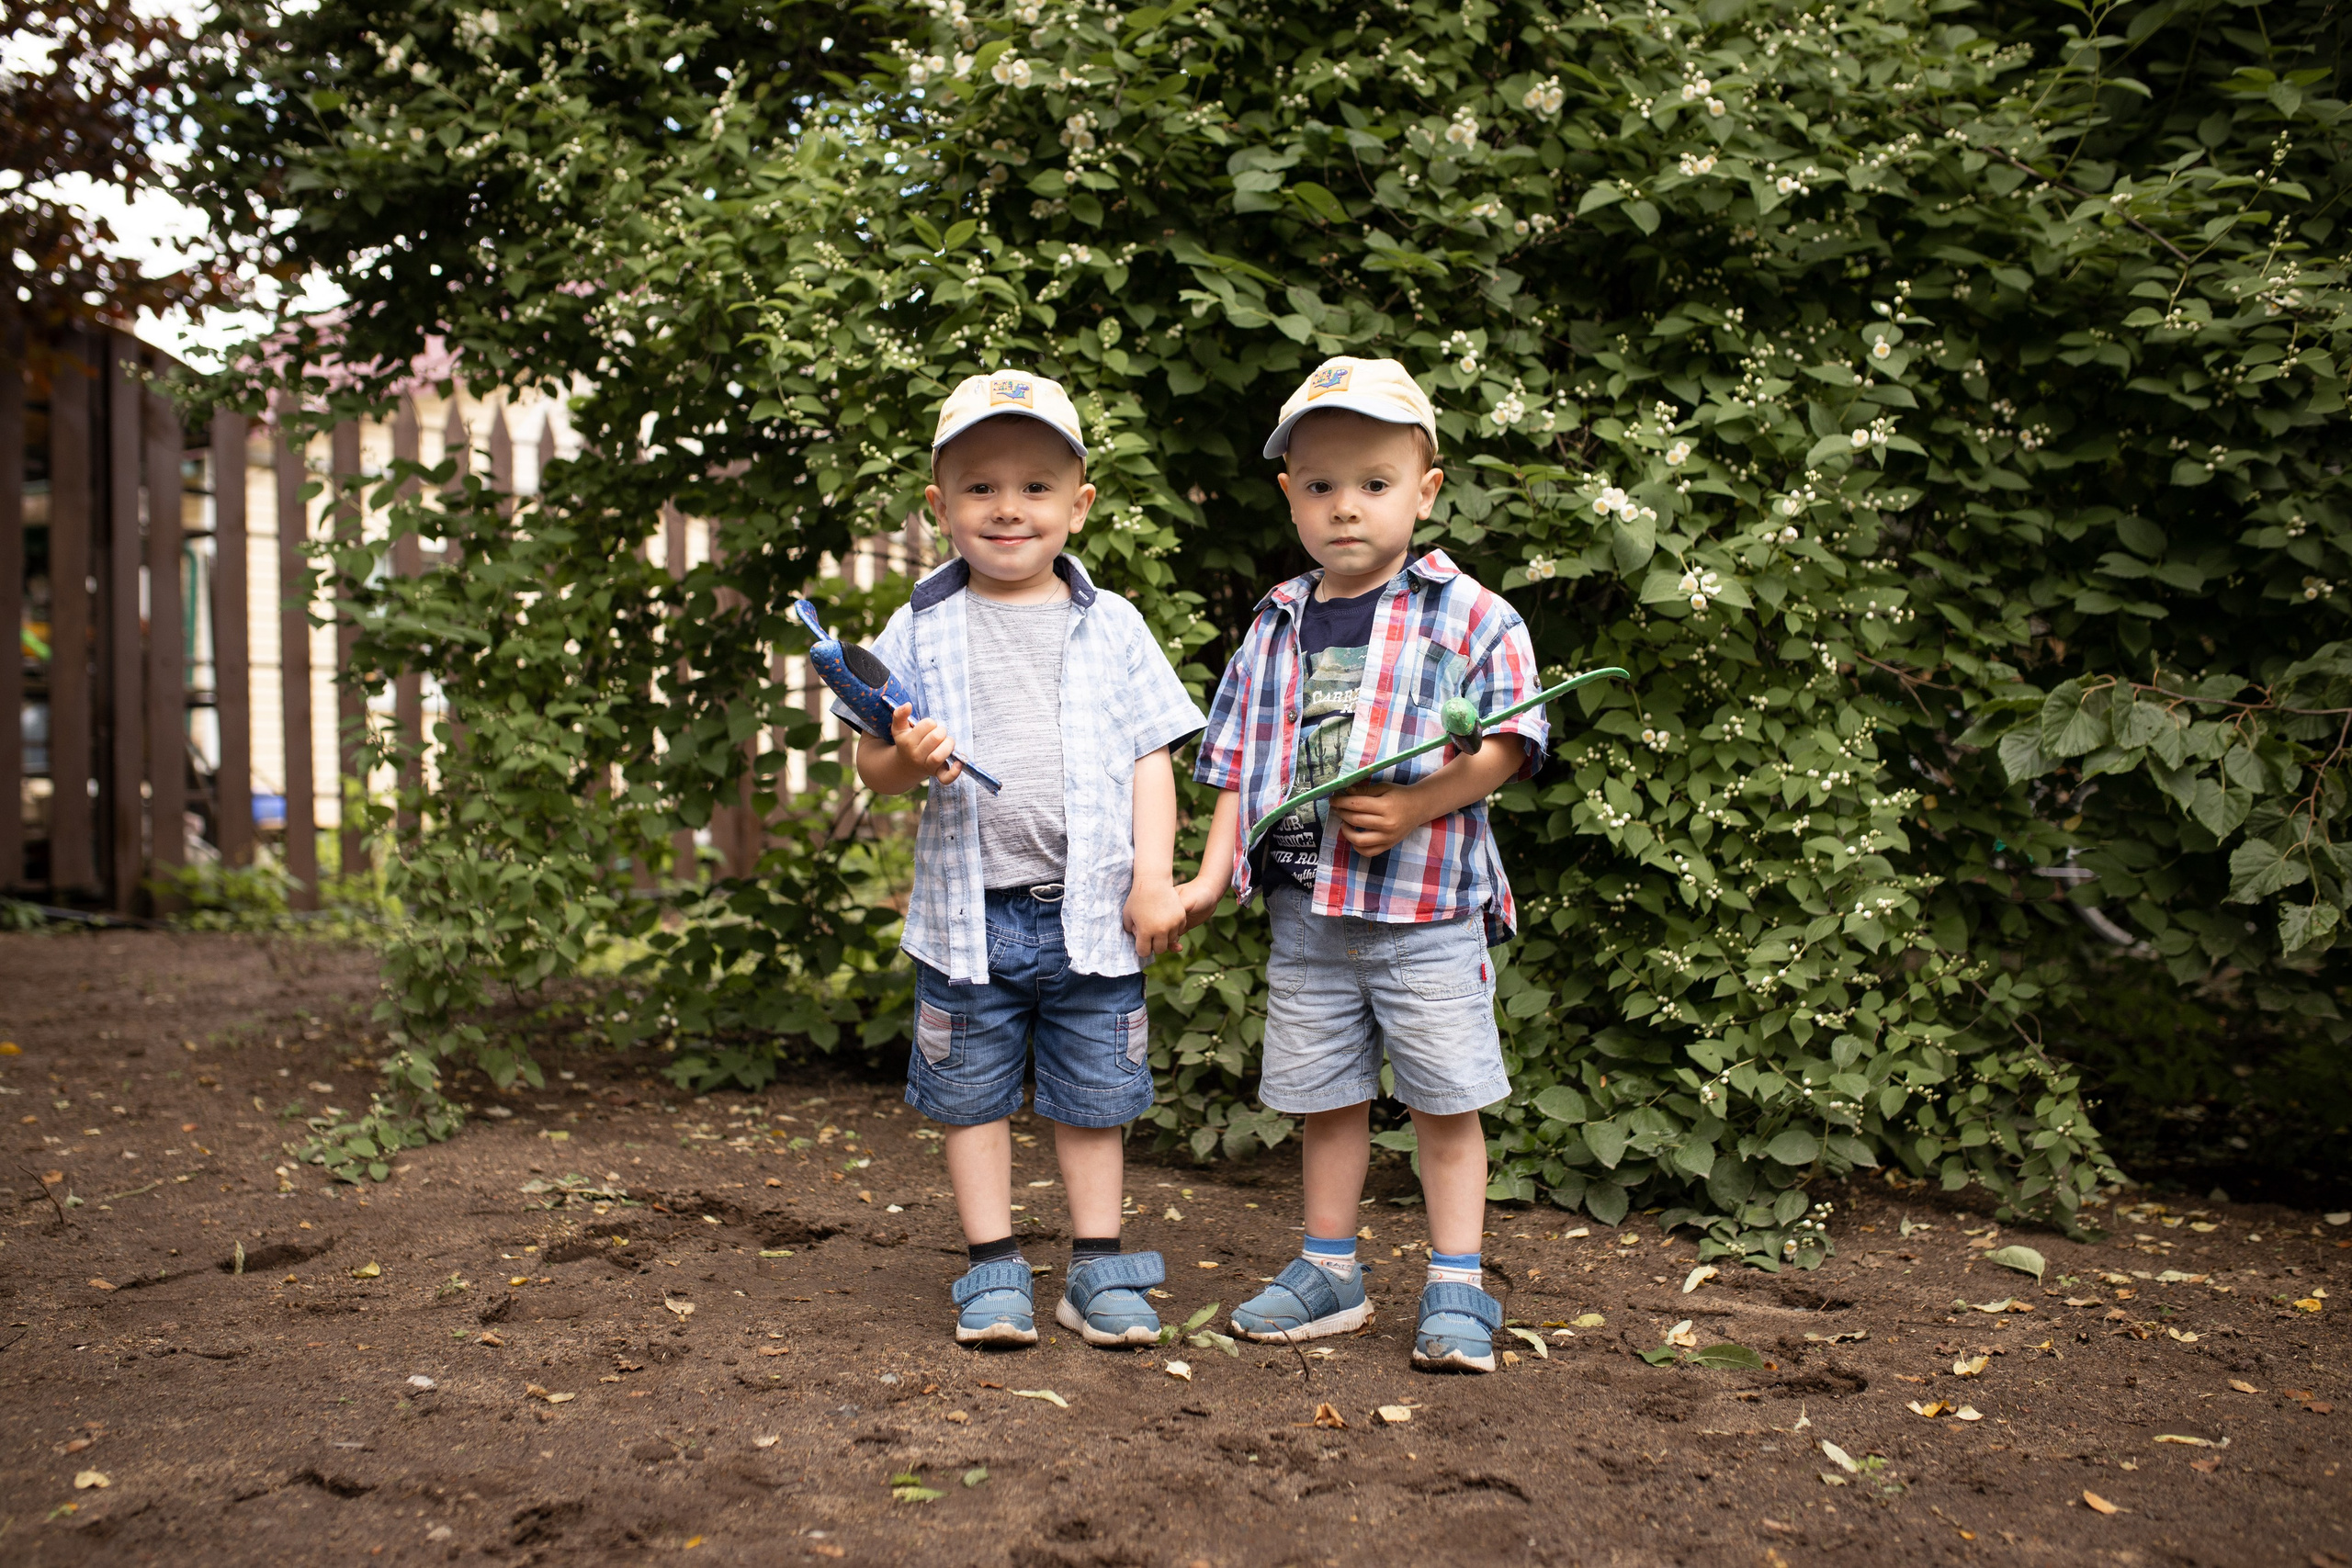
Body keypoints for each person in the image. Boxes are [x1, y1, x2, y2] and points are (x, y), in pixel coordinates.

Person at [1175, 356, 1548, 1372]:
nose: (1347, 508)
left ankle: (1458, 1284)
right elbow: (1234, 765)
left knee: (1443, 1095)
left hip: (1425, 909)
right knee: (1325, 1095)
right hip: (1308, 910)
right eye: (1322, 484)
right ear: (1290, 494)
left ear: (1424, 492)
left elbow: (1512, 741)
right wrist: (1208, 880)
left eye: (1375, 484)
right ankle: (1330, 1269)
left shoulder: (1468, 614)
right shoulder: (1274, 624)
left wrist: (1419, 804)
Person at [843, 369, 1204, 1348]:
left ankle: (1095, 1272)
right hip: (972, 920)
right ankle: (992, 1269)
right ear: (940, 507)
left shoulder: (1113, 623)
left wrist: (1154, 878)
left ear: (1078, 506)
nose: (1009, 508)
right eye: (980, 488)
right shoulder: (919, 625)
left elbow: (1150, 757)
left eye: (1036, 487)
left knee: (1094, 1096)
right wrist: (900, 755)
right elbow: (871, 764)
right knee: (974, 1098)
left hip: (1089, 911)